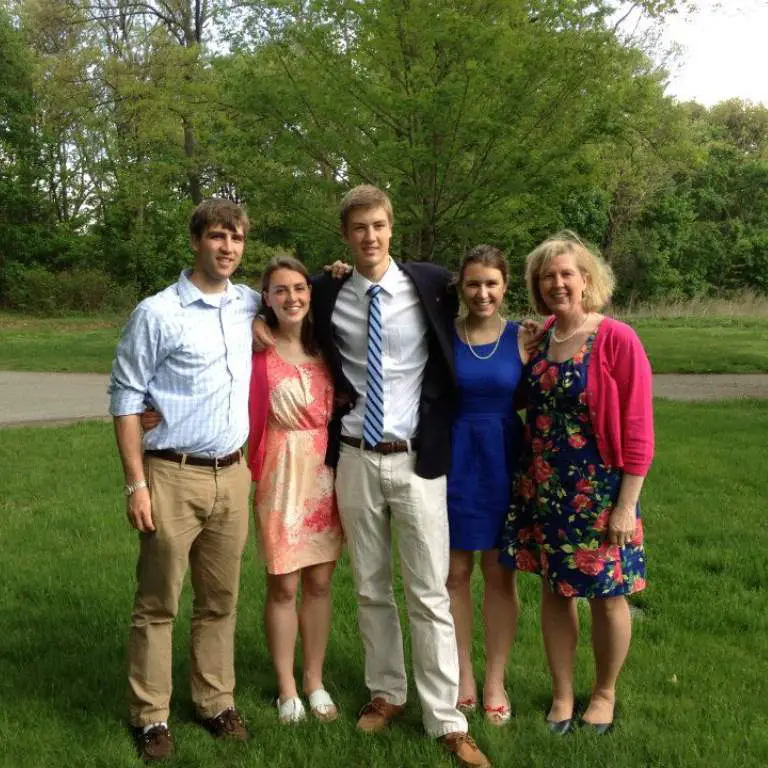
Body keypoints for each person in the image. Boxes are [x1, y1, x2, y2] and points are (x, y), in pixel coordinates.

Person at [310, 185, 491, 768]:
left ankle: (446, 719)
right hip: (356, 456)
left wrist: (522, 332)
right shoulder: (326, 289)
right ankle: (386, 692)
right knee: (369, 584)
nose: (370, 236)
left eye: (379, 225)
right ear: (346, 235)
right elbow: (274, 310)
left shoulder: (430, 283)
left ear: (394, 228)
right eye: (359, 227)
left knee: (430, 590)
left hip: (418, 460)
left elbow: (482, 302)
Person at [109, 199, 259, 763]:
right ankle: (151, 718)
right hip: (171, 474)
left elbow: (300, 297)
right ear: (195, 240)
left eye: (237, 239)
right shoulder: (158, 312)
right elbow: (125, 399)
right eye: (219, 236)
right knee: (157, 602)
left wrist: (334, 274)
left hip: (233, 473)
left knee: (220, 600)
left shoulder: (249, 303)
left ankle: (215, 702)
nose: (228, 248)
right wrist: (135, 484)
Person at [500, 231, 653, 736]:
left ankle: (604, 693)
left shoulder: (615, 338)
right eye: (548, 276)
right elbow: (520, 399)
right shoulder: (540, 337)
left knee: (609, 593)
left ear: (587, 280)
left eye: (567, 274)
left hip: (600, 491)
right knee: (556, 589)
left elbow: (637, 429)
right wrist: (519, 352)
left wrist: (626, 505)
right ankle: (563, 694)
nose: (557, 283)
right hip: (545, 488)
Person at [247, 255, 343, 725]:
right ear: (265, 297)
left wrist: (332, 274)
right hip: (280, 473)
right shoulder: (254, 352)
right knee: (283, 583)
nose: (292, 298)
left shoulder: (327, 348)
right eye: (280, 290)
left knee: (320, 583)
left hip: (325, 475)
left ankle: (314, 679)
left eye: (300, 288)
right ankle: (287, 688)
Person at [446, 245, 529, 726]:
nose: (483, 293)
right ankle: (463, 677)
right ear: (462, 285)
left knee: (500, 576)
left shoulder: (524, 337)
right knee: (455, 574)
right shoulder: (444, 334)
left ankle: (496, 678)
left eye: (491, 284)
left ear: (505, 286)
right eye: (474, 283)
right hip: (454, 461)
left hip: (503, 461)